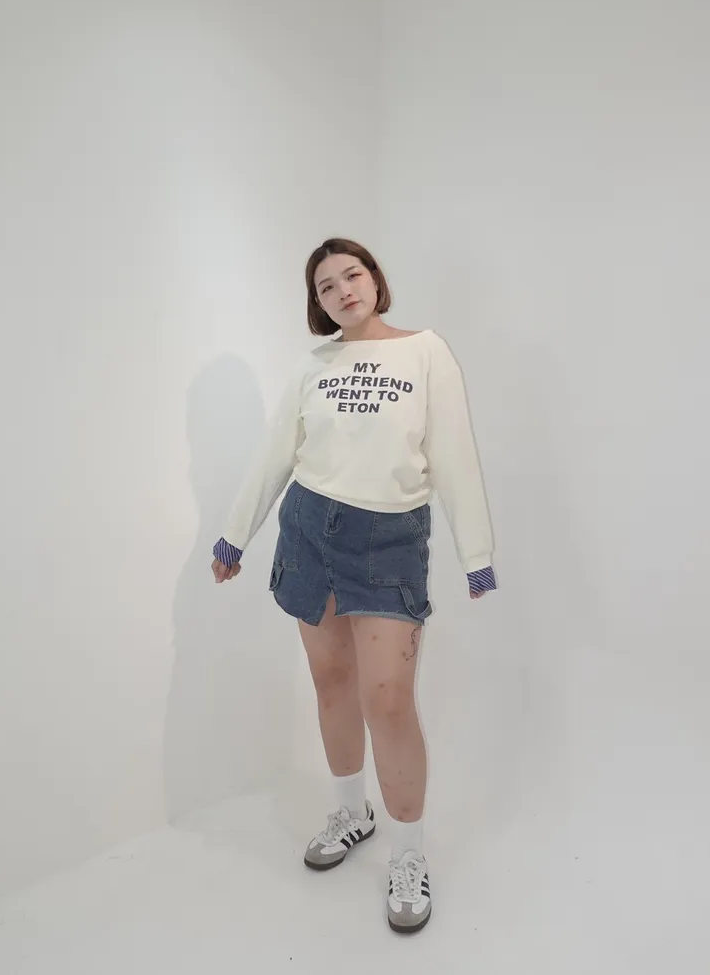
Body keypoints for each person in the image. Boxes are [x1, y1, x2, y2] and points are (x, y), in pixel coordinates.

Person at [211, 238, 497, 934]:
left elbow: (454, 452)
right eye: (326, 286)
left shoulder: (426, 352)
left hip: (388, 539)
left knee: (389, 699)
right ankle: (352, 812)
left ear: (375, 279)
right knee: (332, 681)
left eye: (352, 274)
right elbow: (277, 449)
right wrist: (235, 533)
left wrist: (476, 552)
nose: (343, 290)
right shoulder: (314, 364)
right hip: (309, 529)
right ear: (318, 303)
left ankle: (408, 852)